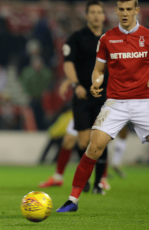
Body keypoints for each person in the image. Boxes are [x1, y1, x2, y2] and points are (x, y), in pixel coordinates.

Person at [57, 0, 149, 212]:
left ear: (137, 11)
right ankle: (73, 200)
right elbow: (99, 70)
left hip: (144, 102)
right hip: (115, 103)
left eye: (129, 9)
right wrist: (96, 83)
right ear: (116, 11)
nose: (125, 13)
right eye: (121, 10)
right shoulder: (107, 39)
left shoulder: (147, 36)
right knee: (93, 147)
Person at [52, 0, 108, 194]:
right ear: (86, 16)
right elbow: (68, 63)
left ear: (103, 15)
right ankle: (85, 180)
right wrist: (75, 83)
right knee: (83, 142)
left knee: (101, 138)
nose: (95, 15)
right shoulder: (76, 38)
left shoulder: (111, 38)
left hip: (105, 95)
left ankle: (99, 183)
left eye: (98, 12)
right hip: (83, 94)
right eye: (92, 12)